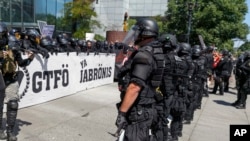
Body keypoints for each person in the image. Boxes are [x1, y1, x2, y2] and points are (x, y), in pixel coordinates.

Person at [115, 18, 164, 141]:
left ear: (145, 34)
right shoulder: (156, 51)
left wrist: (122, 113)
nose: (135, 36)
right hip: (147, 107)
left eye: (137, 32)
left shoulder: (144, 55)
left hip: (139, 110)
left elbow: (135, 87)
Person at [0, 23, 34, 141]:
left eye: (2, 34)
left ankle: (10, 132)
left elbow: (21, 63)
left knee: (13, 104)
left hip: (11, 79)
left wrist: (29, 59)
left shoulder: (13, 46)